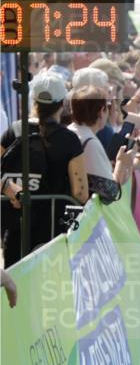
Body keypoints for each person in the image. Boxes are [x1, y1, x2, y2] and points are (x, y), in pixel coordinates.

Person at [0, 73, 87, 264]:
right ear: (62, 103)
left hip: (16, 228)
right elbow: (80, 193)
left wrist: (9, 187)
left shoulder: (14, 131)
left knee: (17, 285)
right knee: (50, 288)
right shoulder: (70, 140)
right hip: (53, 232)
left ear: (33, 99)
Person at [68, 86, 137, 205]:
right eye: (108, 107)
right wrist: (121, 163)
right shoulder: (90, 142)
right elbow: (110, 193)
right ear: (101, 111)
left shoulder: (68, 132)